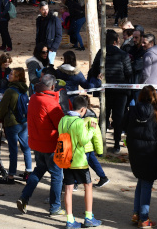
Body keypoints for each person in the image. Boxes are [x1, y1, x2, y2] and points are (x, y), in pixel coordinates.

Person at [17, 74, 66, 217]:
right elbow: (61, 125)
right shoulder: (50, 103)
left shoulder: (33, 98)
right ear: (52, 86)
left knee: (39, 170)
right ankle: (55, 207)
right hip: (50, 145)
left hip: (36, 143)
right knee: (57, 175)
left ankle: (24, 197)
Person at [125, 85, 157, 227]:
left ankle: (136, 213)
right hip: (151, 153)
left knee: (141, 180)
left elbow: (121, 124)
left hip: (135, 151)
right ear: (155, 98)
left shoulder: (132, 111)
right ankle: (144, 218)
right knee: (146, 183)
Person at [58, 96, 101, 228]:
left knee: (68, 189)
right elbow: (83, 140)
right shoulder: (79, 122)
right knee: (88, 185)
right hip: (79, 160)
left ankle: (70, 220)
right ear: (83, 109)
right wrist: (91, 130)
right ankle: (88, 217)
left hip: (66, 159)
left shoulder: (63, 119)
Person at [88, 29, 133, 153]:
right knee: (118, 118)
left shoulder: (100, 53)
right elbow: (129, 72)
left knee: (104, 116)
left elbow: (94, 69)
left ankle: (100, 143)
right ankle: (117, 144)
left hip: (105, 90)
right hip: (120, 91)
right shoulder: (123, 54)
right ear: (115, 41)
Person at [0, 67, 32, 184]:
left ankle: (11, 176)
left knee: (13, 150)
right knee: (26, 147)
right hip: (23, 122)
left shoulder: (10, 91)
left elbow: (3, 108)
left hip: (12, 123)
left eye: (11, 74)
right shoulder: (25, 89)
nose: (9, 75)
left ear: (17, 77)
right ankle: (28, 172)